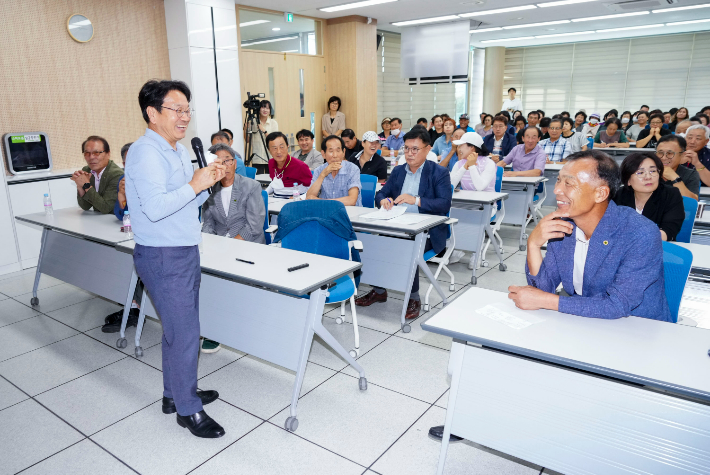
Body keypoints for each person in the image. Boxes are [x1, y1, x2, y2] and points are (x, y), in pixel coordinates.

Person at [125, 79, 226, 438]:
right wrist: (195, 185)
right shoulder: (145, 152)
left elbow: (186, 202)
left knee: (178, 332)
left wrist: (207, 183)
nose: (185, 117)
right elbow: (153, 209)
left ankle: (174, 394)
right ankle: (188, 409)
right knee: (186, 334)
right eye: (176, 109)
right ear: (152, 113)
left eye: (187, 109)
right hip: (163, 255)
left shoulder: (177, 150)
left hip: (182, 249)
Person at [508, 150, 671, 322]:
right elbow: (542, 289)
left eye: (569, 183)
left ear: (600, 193)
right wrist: (533, 244)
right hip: (586, 320)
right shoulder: (564, 224)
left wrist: (546, 300)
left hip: (637, 328)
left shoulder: (640, 233)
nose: (556, 190)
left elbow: (616, 305)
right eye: (558, 180)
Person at [357, 128, 452, 320]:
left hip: (427, 230)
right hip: (397, 225)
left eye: (415, 149)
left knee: (409, 250)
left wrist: (415, 200)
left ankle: (414, 297)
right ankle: (379, 290)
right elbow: (381, 193)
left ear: (428, 149)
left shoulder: (439, 172)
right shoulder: (399, 171)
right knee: (372, 245)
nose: (409, 153)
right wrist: (383, 201)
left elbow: (444, 203)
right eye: (406, 149)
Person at [199, 143, 266, 354]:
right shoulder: (209, 189)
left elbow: (255, 225)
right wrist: (211, 244)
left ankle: (235, 323)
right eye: (217, 161)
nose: (223, 165)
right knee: (204, 278)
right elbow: (207, 222)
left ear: (234, 163)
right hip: (220, 244)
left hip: (247, 244)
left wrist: (229, 245)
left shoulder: (251, 186)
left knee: (231, 282)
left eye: (227, 160)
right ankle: (213, 327)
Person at [613, 152, 684, 242]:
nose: (648, 177)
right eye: (640, 172)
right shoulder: (618, 196)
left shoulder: (671, 194)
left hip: (659, 248)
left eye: (653, 171)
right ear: (628, 181)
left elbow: (668, 231)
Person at [451, 132, 497, 268]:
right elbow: (450, 185)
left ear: (472, 148)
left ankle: (476, 253)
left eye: (462, 146)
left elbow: (480, 187)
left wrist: (471, 166)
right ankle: (457, 248)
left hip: (486, 206)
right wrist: (465, 167)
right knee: (452, 215)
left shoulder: (488, 163)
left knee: (477, 219)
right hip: (465, 203)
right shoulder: (460, 163)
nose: (459, 149)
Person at [72, 136, 124, 214]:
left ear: (108, 154)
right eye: (87, 153)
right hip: (98, 220)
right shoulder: (86, 170)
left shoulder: (116, 174)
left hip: (113, 221)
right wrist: (80, 186)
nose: (91, 157)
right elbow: (85, 206)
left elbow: (106, 208)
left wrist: (86, 185)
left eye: (96, 153)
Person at [307, 135, 362, 206]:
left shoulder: (352, 169)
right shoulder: (319, 170)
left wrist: (322, 201)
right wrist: (322, 175)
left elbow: (351, 200)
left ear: (343, 152)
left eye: (338, 150)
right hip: (326, 213)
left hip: (349, 213)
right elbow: (309, 198)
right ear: (323, 154)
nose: (335, 155)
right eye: (331, 151)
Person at [266, 131, 312, 197]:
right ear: (269, 150)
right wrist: (264, 193)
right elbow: (274, 183)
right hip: (275, 200)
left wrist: (299, 198)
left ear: (287, 147)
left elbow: (313, 188)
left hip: (294, 202)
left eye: (281, 147)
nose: (278, 152)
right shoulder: (271, 163)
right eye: (274, 148)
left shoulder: (300, 166)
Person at [656, 135, 699, 200]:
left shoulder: (690, 174)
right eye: (660, 153)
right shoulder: (648, 171)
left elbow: (692, 203)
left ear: (682, 155)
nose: (664, 157)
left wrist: (675, 178)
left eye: (670, 153)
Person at [247, 99, 278, 174]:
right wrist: (246, 129)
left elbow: (274, 140)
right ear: (259, 109)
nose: (265, 110)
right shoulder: (253, 122)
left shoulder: (273, 123)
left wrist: (263, 130)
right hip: (257, 158)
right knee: (258, 181)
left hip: (270, 157)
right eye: (263, 107)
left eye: (267, 108)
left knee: (271, 181)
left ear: (270, 110)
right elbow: (248, 140)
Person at [114, 142, 134, 221]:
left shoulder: (156, 180)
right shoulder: (123, 180)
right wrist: (121, 195)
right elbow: (121, 216)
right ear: (124, 165)